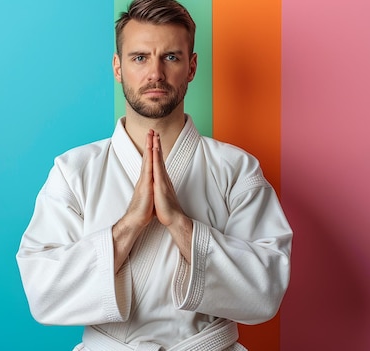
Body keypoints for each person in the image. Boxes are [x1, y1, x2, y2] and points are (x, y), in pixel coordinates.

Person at [16, 0, 292, 350]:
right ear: (117, 67)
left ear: (192, 67)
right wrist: (130, 223)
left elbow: (266, 292)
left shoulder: (237, 169)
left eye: (171, 57)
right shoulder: (73, 171)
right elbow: (42, 292)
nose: (156, 74)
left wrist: (180, 223)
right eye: (139, 57)